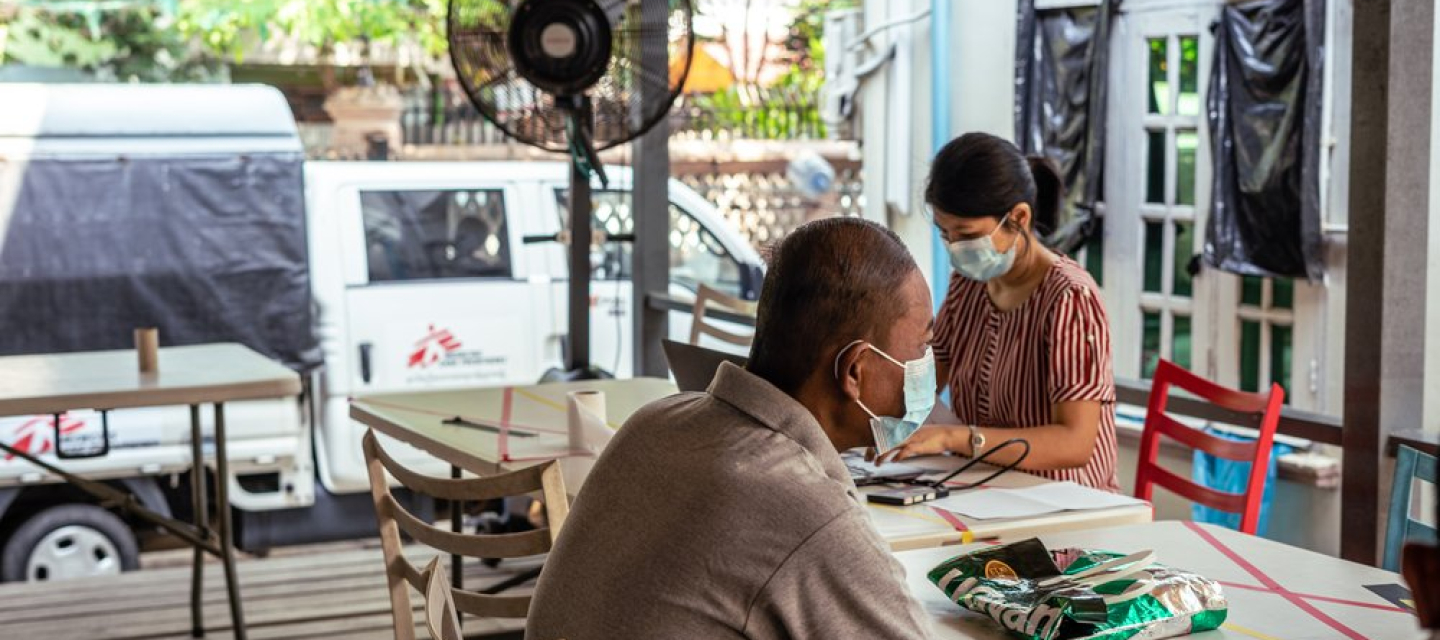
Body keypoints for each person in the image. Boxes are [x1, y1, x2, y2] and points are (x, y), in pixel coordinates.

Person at [526, 217, 935, 639]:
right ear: (855, 371)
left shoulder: (653, 422)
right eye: (923, 346)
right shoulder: (807, 510)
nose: (928, 363)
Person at [882, 132, 1120, 493]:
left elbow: (1075, 443)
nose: (955, 248)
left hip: (1065, 502)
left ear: (1019, 217)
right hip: (989, 489)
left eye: (967, 233)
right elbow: (928, 380)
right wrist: (875, 424)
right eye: (946, 234)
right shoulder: (969, 284)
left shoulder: (1070, 298)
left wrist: (954, 437)